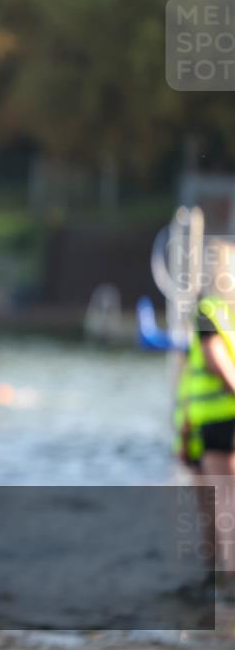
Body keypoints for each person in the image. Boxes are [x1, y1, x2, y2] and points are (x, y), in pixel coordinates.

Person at [174, 250, 235, 593]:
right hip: (206, 424)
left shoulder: (209, 312)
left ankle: (225, 588)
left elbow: (217, 362)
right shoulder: (225, 312)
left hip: (219, 421)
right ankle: (214, 585)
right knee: (217, 507)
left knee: (224, 504)